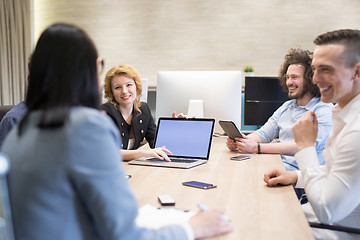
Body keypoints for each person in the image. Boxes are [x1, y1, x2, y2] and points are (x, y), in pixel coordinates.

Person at [1, 23, 232, 240]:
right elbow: (125, 235)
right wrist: (191, 227)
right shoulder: (86, 126)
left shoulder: (20, 130)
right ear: (87, 73)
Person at [264, 29, 360, 240]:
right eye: (314, 70)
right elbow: (337, 171)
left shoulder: (356, 131)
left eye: (325, 69)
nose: (315, 79)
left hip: (333, 229)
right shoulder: (342, 112)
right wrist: (295, 176)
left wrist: (305, 146)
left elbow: (328, 210)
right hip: (319, 218)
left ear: (357, 73)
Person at [227, 48, 333, 171]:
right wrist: (241, 141)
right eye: (287, 77)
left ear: (310, 79)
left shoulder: (324, 109)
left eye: (294, 77)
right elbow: (263, 134)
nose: (289, 82)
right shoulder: (287, 107)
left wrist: (257, 148)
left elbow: (306, 147)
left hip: (301, 178)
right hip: (280, 168)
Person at [101, 64, 176, 161]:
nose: (124, 91)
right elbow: (108, 152)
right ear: (111, 92)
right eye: (118, 87)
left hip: (129, 168)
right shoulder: (104, 113)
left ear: (136, 86)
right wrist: (142, 153)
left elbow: (157, 143)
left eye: (129, 85)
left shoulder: (143, 109)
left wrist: (174, 127)